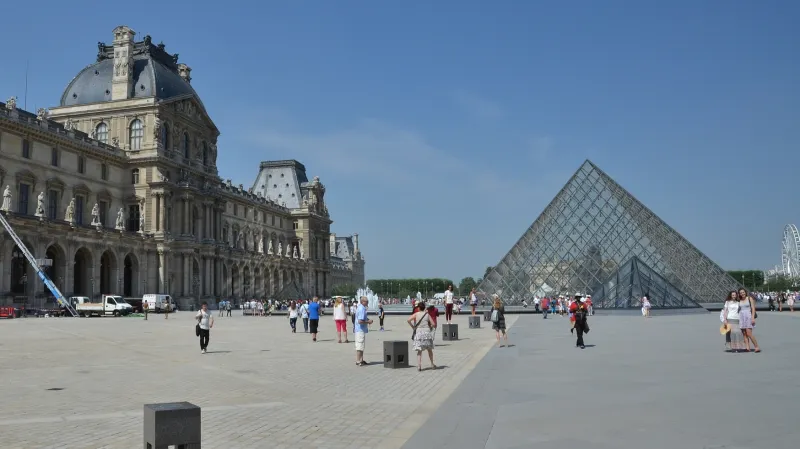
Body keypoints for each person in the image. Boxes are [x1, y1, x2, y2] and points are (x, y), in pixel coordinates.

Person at [407, 302, 435, 371]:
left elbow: (408, 320)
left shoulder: (416, 314)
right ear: (424, 307)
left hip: (419, 333)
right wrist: (430, 327)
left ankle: (419, 366)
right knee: (429, 350)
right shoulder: (427, 314)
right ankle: (432, 364)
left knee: (419, 351)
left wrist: (413, 327)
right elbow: (433, 324)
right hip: (427, 333)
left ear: (419, 308)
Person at [737, 288, 760, 353]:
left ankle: (756, 346)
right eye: (741, 293)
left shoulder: (750, 298)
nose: (742, 293)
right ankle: (747, 347)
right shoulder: (739, 300)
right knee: (744, 333)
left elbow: (753, 309)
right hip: (742, 317)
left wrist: (752, 318)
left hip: (748, 316)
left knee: (749, 333)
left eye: (743, 292)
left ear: (745, 292)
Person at [354, 296, 373, 366]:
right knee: (359, 345)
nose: (368, 302)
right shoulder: (362, 309)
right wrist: (368, 322)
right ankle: (358, 360)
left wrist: (367, 319)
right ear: (362, 302)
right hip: (360, 329)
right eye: (366, 301)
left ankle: (361, 360)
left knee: (361, 345)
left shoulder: (361, 308)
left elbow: (362, 318)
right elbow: (360, 321)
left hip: (360, 329)